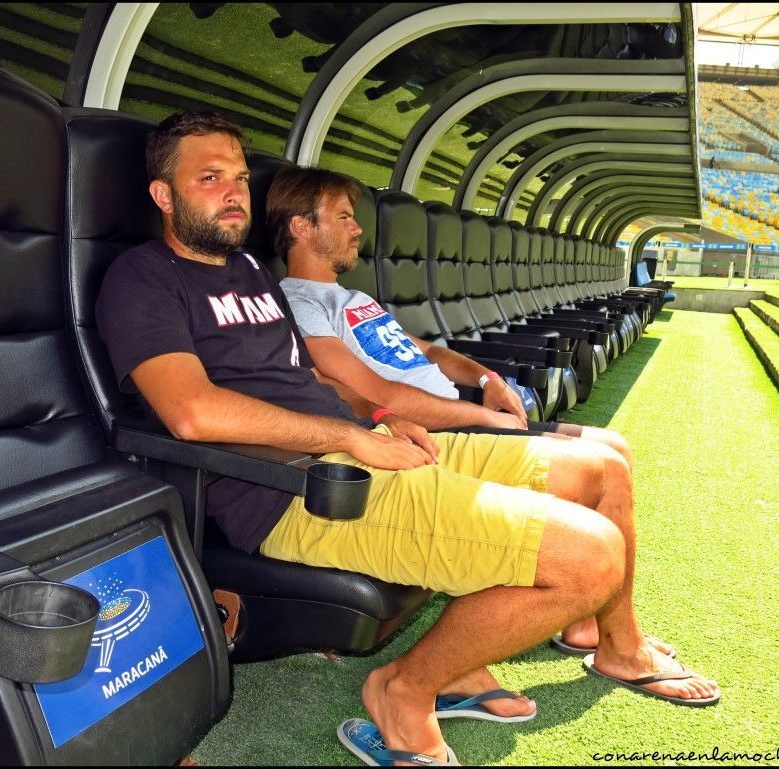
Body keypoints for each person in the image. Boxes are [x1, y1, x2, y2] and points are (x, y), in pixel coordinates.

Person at [95, 109, 720, 766]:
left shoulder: (249, 273)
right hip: (296, 488)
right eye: (209, 178)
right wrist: (351, 437)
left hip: (358, 447)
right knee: (592, 558)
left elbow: (309, 376)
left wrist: (376, 416)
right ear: (163, 195)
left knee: (599, 469)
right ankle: (403, 690)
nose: (233, 193)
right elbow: (191, 414)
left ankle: (593, 649)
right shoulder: (142, 277)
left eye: (240, 178)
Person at [269, 165, 633, 468]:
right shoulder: (299, 304)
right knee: (606, 465)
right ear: (301, 226)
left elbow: (427, 352)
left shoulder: (354, 297)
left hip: (461, 411)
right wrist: (482, 416)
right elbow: (378, 395)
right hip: (434, 433)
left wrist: (488, 379)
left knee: (616, 446)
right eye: (345, 217)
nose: (358, 229)